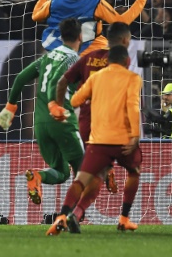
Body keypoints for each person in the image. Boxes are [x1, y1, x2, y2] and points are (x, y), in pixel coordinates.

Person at [47, 45, 143, 235]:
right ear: (127, 61)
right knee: (134, 171)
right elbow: (133, 106)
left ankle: (64, 216)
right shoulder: (133, 78)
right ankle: (124, 219)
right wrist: (135, 136)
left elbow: (75, 101)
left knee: (82, 179)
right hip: (123, 141)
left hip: (98, 142)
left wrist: (92, 96)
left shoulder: (96, 78)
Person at [0, 18, 84, 206]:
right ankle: (72, 215)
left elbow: (20, 77)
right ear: (81, 37)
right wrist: (54, 104)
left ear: (60, 36)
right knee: (85, 171)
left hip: (41, 125)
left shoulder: (47, 57)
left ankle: (37, 176)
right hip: (61, 120)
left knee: (61, 172)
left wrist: (10, 106)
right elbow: (57, 83)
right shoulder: (74, 59)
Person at [54, 22, 133, 198]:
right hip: (108, 121)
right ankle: (106, 170)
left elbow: (62, 83)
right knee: (104, 165)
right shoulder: (122, 61)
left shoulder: (87, 58)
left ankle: (74, 209)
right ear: (123, 40)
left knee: (84, 167)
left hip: (86, 119)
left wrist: (59, 107)